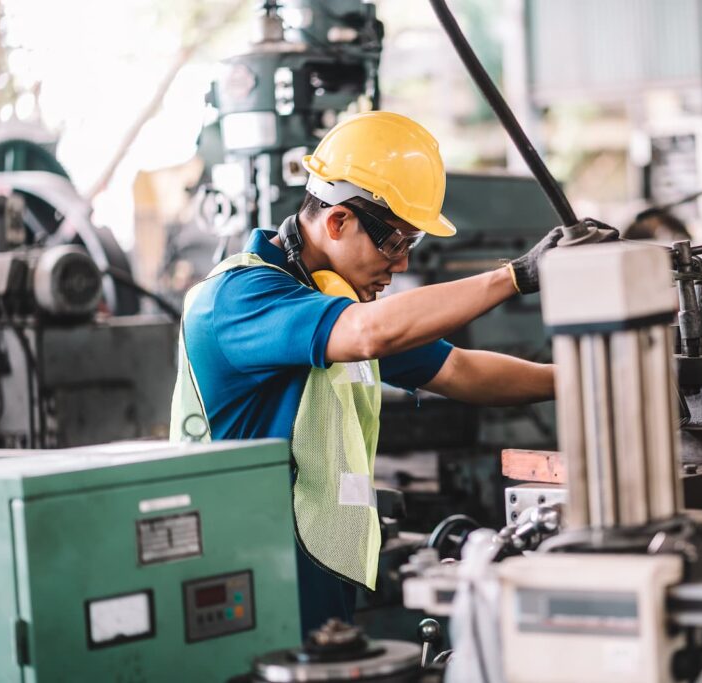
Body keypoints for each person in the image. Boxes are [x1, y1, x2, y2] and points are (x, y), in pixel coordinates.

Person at [169, 110, 613, 634]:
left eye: (411, 246)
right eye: (395, 242)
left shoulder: (332, 301)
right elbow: (367, 333)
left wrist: (591, 376)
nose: (400, 264)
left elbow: (459, 369)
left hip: (317, 569)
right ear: (337, 222)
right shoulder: (238, 299)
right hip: (250, 577)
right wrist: (515, 276)